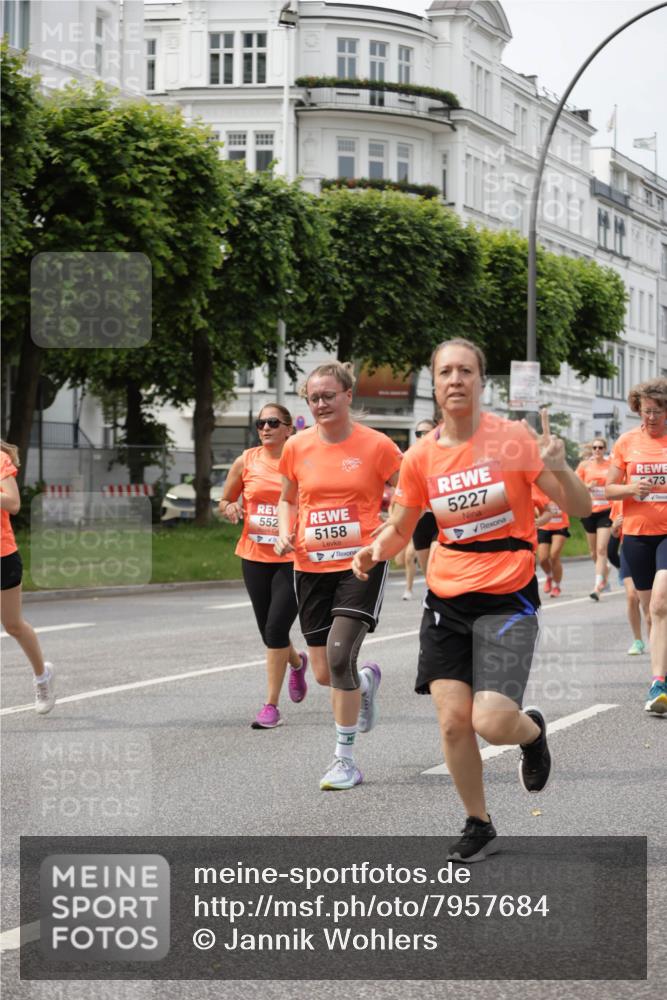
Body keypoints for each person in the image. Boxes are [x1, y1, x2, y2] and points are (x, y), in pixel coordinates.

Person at [352, 339, 591, 861]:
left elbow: (580, 505)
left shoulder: (514, 439)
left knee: (491, 721)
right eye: (445, 372)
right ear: (434, 385)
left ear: (482, 382)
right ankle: (478, 822)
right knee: (453, 721)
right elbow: (401, 526)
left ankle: (530, 733)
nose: (455, 379)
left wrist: (563, 466)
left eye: (465, 371)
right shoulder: (420, 457)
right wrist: (375, 550)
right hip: (446, 600)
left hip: (507, 597)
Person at [275, 361, 403, 790]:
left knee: (337, 656)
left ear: (349, 395)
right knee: (327, 674)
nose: (321, 404)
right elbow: (288, 498)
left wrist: (391, 530)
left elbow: (409, 492)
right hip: (310, 565)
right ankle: (364, 682)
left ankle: (344, 760)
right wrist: (282, 531)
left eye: (329, 395)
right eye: (314, 398)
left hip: (360, 562)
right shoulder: (297, 446)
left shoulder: (378, 445)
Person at [219, 404, 307, 729]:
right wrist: (229, 509)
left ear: (289, 429)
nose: (265, 427)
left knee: (275, 630)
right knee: (270, 632)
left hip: (293, 559)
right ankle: (297, 664)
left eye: (272, 422)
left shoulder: (302, 461)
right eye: (260, 423)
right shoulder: (247, 460)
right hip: (254, 556)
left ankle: (271, 706)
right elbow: (225, 499)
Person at [605, 378, 667, 715]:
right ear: (637, 409)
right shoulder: (627, 442)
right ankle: (663, 671)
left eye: (657, 411)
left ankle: (658, 681)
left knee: (660, 603)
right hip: (638, 534)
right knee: (651, 613)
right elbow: (608, 489)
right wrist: (630, 489)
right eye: (646, 412)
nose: (652, 418)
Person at [0, 441, 55, 714]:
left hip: (3, 555)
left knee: (12, 625)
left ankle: (42, 677)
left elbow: (13, 503)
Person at [397, 419, 437, 600]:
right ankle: (433, 593)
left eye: (426, 432)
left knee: (438, 555)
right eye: (418, 433)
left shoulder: (445, 455)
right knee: (425, 565)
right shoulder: (411, 458)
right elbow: (402, 492)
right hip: (420, 519)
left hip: (441, 519)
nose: (422, 436)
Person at [608, 501, 649, 656]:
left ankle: (658, 640)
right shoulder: (620, 499)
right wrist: (614, 527)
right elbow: (614, 533)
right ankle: (638, 640)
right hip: (630, 549)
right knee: (632, 596)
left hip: (656, 548)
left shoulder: (658, 492)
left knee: (653, 603)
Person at [577, 437, 613, 600]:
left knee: (601, 549)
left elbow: (617, 483)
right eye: (594, 448)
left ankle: (597, 587)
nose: (597, 450)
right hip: (589, 511)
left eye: (600, 448)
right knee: (593, 552)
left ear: (605, 449)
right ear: (591, 450)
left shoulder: (610, 465)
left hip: (606, 511)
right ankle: (604, 569)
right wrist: (587, 487)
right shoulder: (585, 466)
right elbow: (576, 485)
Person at [532, 483, 570, 597]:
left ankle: (557, 585)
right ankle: (549, 576)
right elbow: (533, 504)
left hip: (560, 525)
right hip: (544, 526)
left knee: (554, 555)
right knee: (542, 558)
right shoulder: (535, 485)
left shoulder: (559, 483)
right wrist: (538, 512)